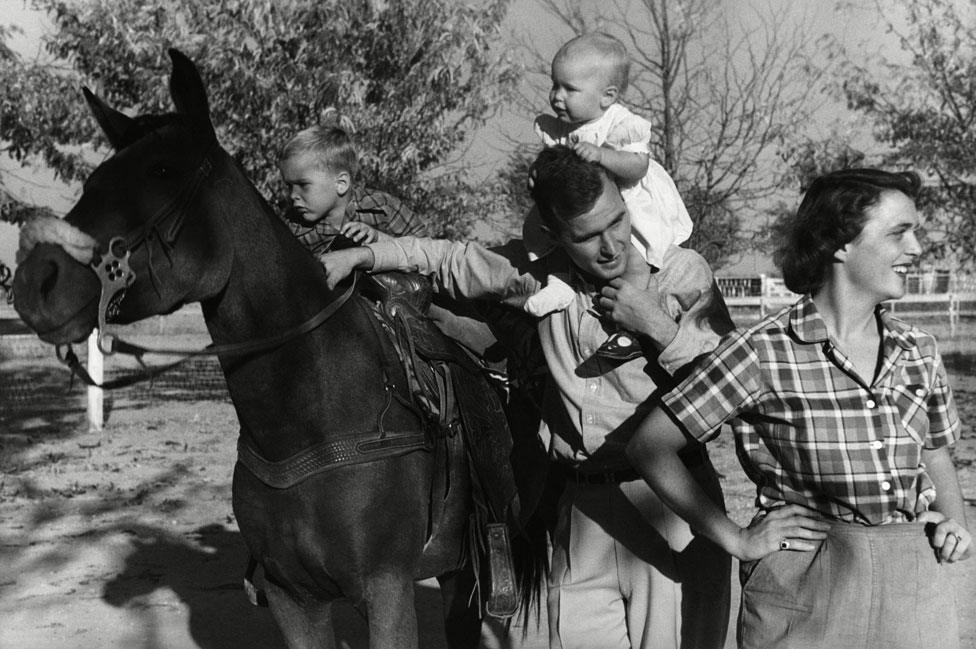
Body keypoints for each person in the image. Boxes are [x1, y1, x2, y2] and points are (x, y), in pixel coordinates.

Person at [319, 145, 734, 649]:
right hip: (583, 508)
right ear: (557, 237)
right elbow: (450, 257)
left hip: (671, 505)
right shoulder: (543, 279)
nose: (611, 246)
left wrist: (659, 327)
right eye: (587, 237)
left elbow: (729, 390)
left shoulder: (682, 274)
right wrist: (363, 253)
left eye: (616, 222)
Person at [626, 168, 972, 649]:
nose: (916, 248)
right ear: (839, 243)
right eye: (899, 232)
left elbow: (935, 452)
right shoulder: (759, 350)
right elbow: (650, 446)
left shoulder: (919, 350)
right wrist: (735, 539)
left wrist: (955, 520)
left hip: (913, 585)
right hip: (805, 585)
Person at [523, 32, 694, 363]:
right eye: (554, 85)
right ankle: (560, 286)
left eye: (569, 89)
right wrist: (539, 176)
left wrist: (602, 156)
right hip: (588, 206)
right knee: (558, 237)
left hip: (627, 199)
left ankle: (630, 325)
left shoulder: (619, 123)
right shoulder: (559, 128)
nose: (557, 97)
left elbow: (638, 165)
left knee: (635, 254)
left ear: (608, 96)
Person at [277, 118, 428, 254]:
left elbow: (428, 254)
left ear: (341, 184)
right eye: (289, 186)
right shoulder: (292, 229)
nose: (293, 195)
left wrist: (379, 239)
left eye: (303, 185)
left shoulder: (382, 208)